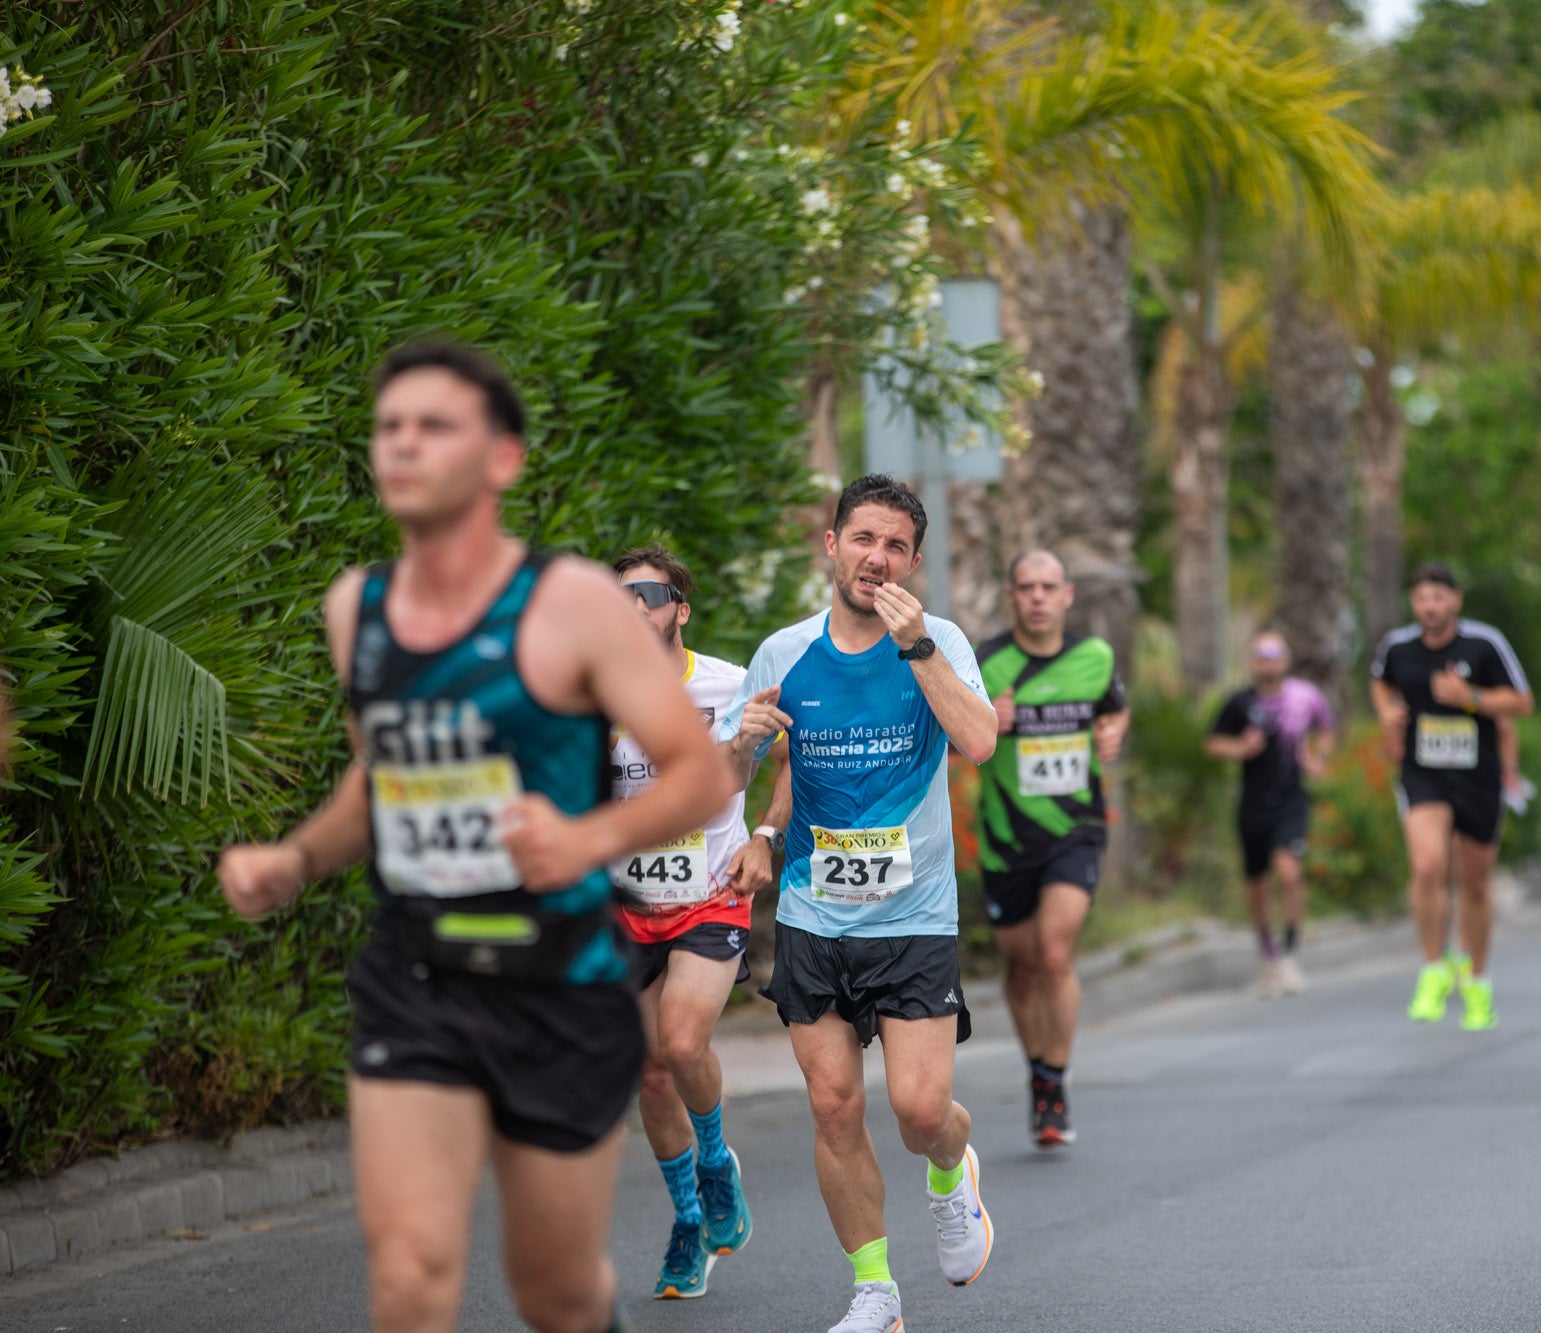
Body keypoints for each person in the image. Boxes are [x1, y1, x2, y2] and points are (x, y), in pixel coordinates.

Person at [215, 341, 731, 1333]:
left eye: (434, 425)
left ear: (501, 458)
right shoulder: (355, 611)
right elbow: (383, 774)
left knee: (557, 1293)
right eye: (389, 426)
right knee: (408, 1278)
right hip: (418, 979)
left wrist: (587, 839)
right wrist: (297, 856)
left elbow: (699, 770)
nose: (404, 444)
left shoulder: (570, 603)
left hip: (558, 985)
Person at [718, 474, 997, 1333]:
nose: (878, 557)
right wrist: (743, 746)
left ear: (914, 560)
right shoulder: (783, 654)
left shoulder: (937, 637)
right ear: (831, 544)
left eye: (896, 545)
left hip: (913, 918)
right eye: (864, 538)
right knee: (834, 1105)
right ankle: (875, 1289)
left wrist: (918, 652)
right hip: (812, 916)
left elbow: (980, 741)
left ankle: (952, 1173)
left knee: (919, 1111)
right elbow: (722, 787)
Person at [607, 544, 794, 1300]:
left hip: (711, 890)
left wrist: (766, 836)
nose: (633, 610)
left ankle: (717, 1163)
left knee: (682, 1042)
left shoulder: (727, 683)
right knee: (648, 1074)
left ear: (679, 607)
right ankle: (690, 1218)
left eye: (646, 595)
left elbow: (789, 760)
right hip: (626, 902)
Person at [976, 550, 1129, 1149]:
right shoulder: (987, 663)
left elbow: (1113, 714)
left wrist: (1114, 734)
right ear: (1011, 596)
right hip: (1007, 836)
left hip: (1077, 829)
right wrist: (990, 723)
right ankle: (1036, 1064)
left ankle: (1053, 1080)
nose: (1037, 597)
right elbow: (960, 739)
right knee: (1021, 964)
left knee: (1055, 952)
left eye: (1048, 587)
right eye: (1025, 588)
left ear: (1067, 595)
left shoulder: (1094, 657)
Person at [1370, 563, 1533, 1031]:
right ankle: (1433, 967)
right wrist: (1387, 713)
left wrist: (1471, 698)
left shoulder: (1484, 644)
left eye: (1438, 597)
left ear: (1456, 601)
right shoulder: (1398, 647)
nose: (1429, 606)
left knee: (1476, 883)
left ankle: (1477, 980)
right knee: (1427, 866)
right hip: (1424, 774)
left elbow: (1522, 702)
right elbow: (1379, 681)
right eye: (1421, 597)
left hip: (1477, 776)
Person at [1204, 632, 1335, 997]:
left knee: (1290, 872)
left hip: (1291, 798)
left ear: (1287, 661)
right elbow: (1212, 743)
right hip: (1252, 803)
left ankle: (1290, 950)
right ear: (1252, 662)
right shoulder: (1239, 702)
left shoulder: (1305, 696)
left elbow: (1326, 728)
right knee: (1257, 885)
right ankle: (1268, 954)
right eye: (1261, 656)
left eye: (1275, 655)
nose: (1268, 663)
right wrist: (1240, 748)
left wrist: (1317, 757)